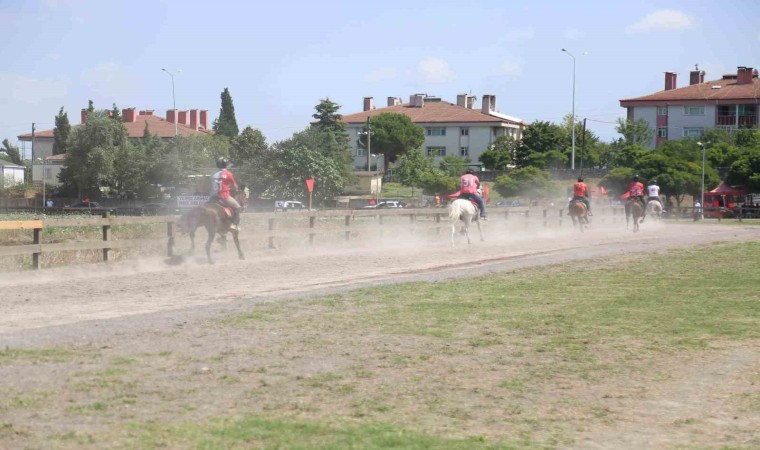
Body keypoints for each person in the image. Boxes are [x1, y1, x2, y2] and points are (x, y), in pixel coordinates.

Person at [210, 157, 242, 230]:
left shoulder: (212, 174)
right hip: (224, 196)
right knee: (238, 208)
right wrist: (236, 189)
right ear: (225, 164)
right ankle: (233, 225)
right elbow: (234, 185)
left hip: (213, 196)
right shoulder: (228, 174)